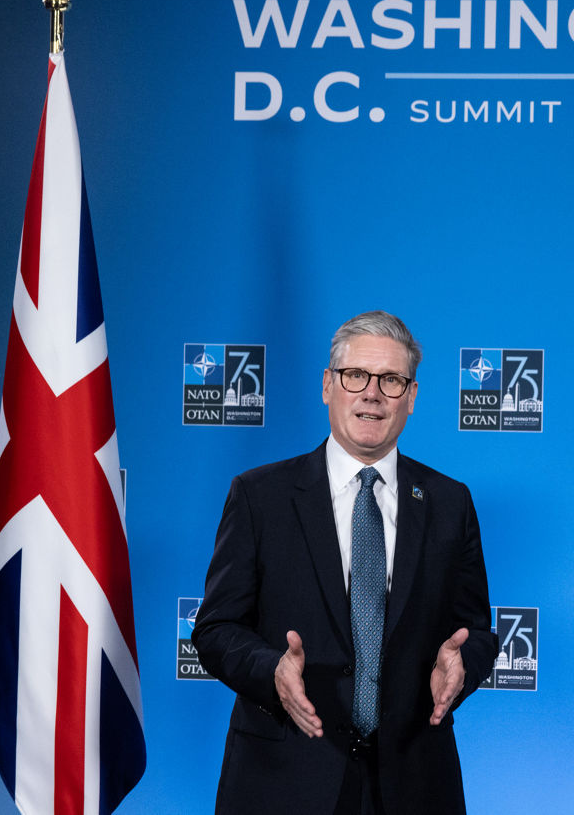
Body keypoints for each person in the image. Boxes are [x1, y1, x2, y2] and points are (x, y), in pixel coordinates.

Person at [192, 310, 495, 815]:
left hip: (415, 783)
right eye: (356, 376)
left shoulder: (449, 502)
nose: (372, 393)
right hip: (282, 779)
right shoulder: (260, 496)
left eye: (392, 380)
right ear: (328, 386)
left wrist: (463, 666)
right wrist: (272, 672)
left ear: (412, 397)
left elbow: (476, 631)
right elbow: (217, 628)